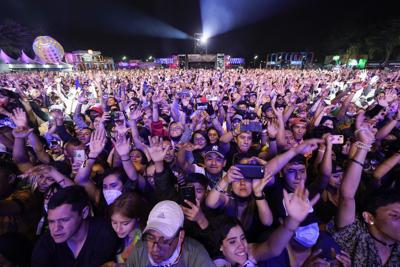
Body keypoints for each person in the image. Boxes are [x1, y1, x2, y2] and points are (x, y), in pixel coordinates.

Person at [31, 185, 120, 267]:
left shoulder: (106, 234)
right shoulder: (46, 244)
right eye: (51, 221)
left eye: (64, 220)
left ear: (84, 213)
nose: (56, 228)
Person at [126, 200, 215, 267]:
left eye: (164, 241)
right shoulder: (139, 251)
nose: (155, 249)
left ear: (181, 235)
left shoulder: (196, 255)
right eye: (150, 237)